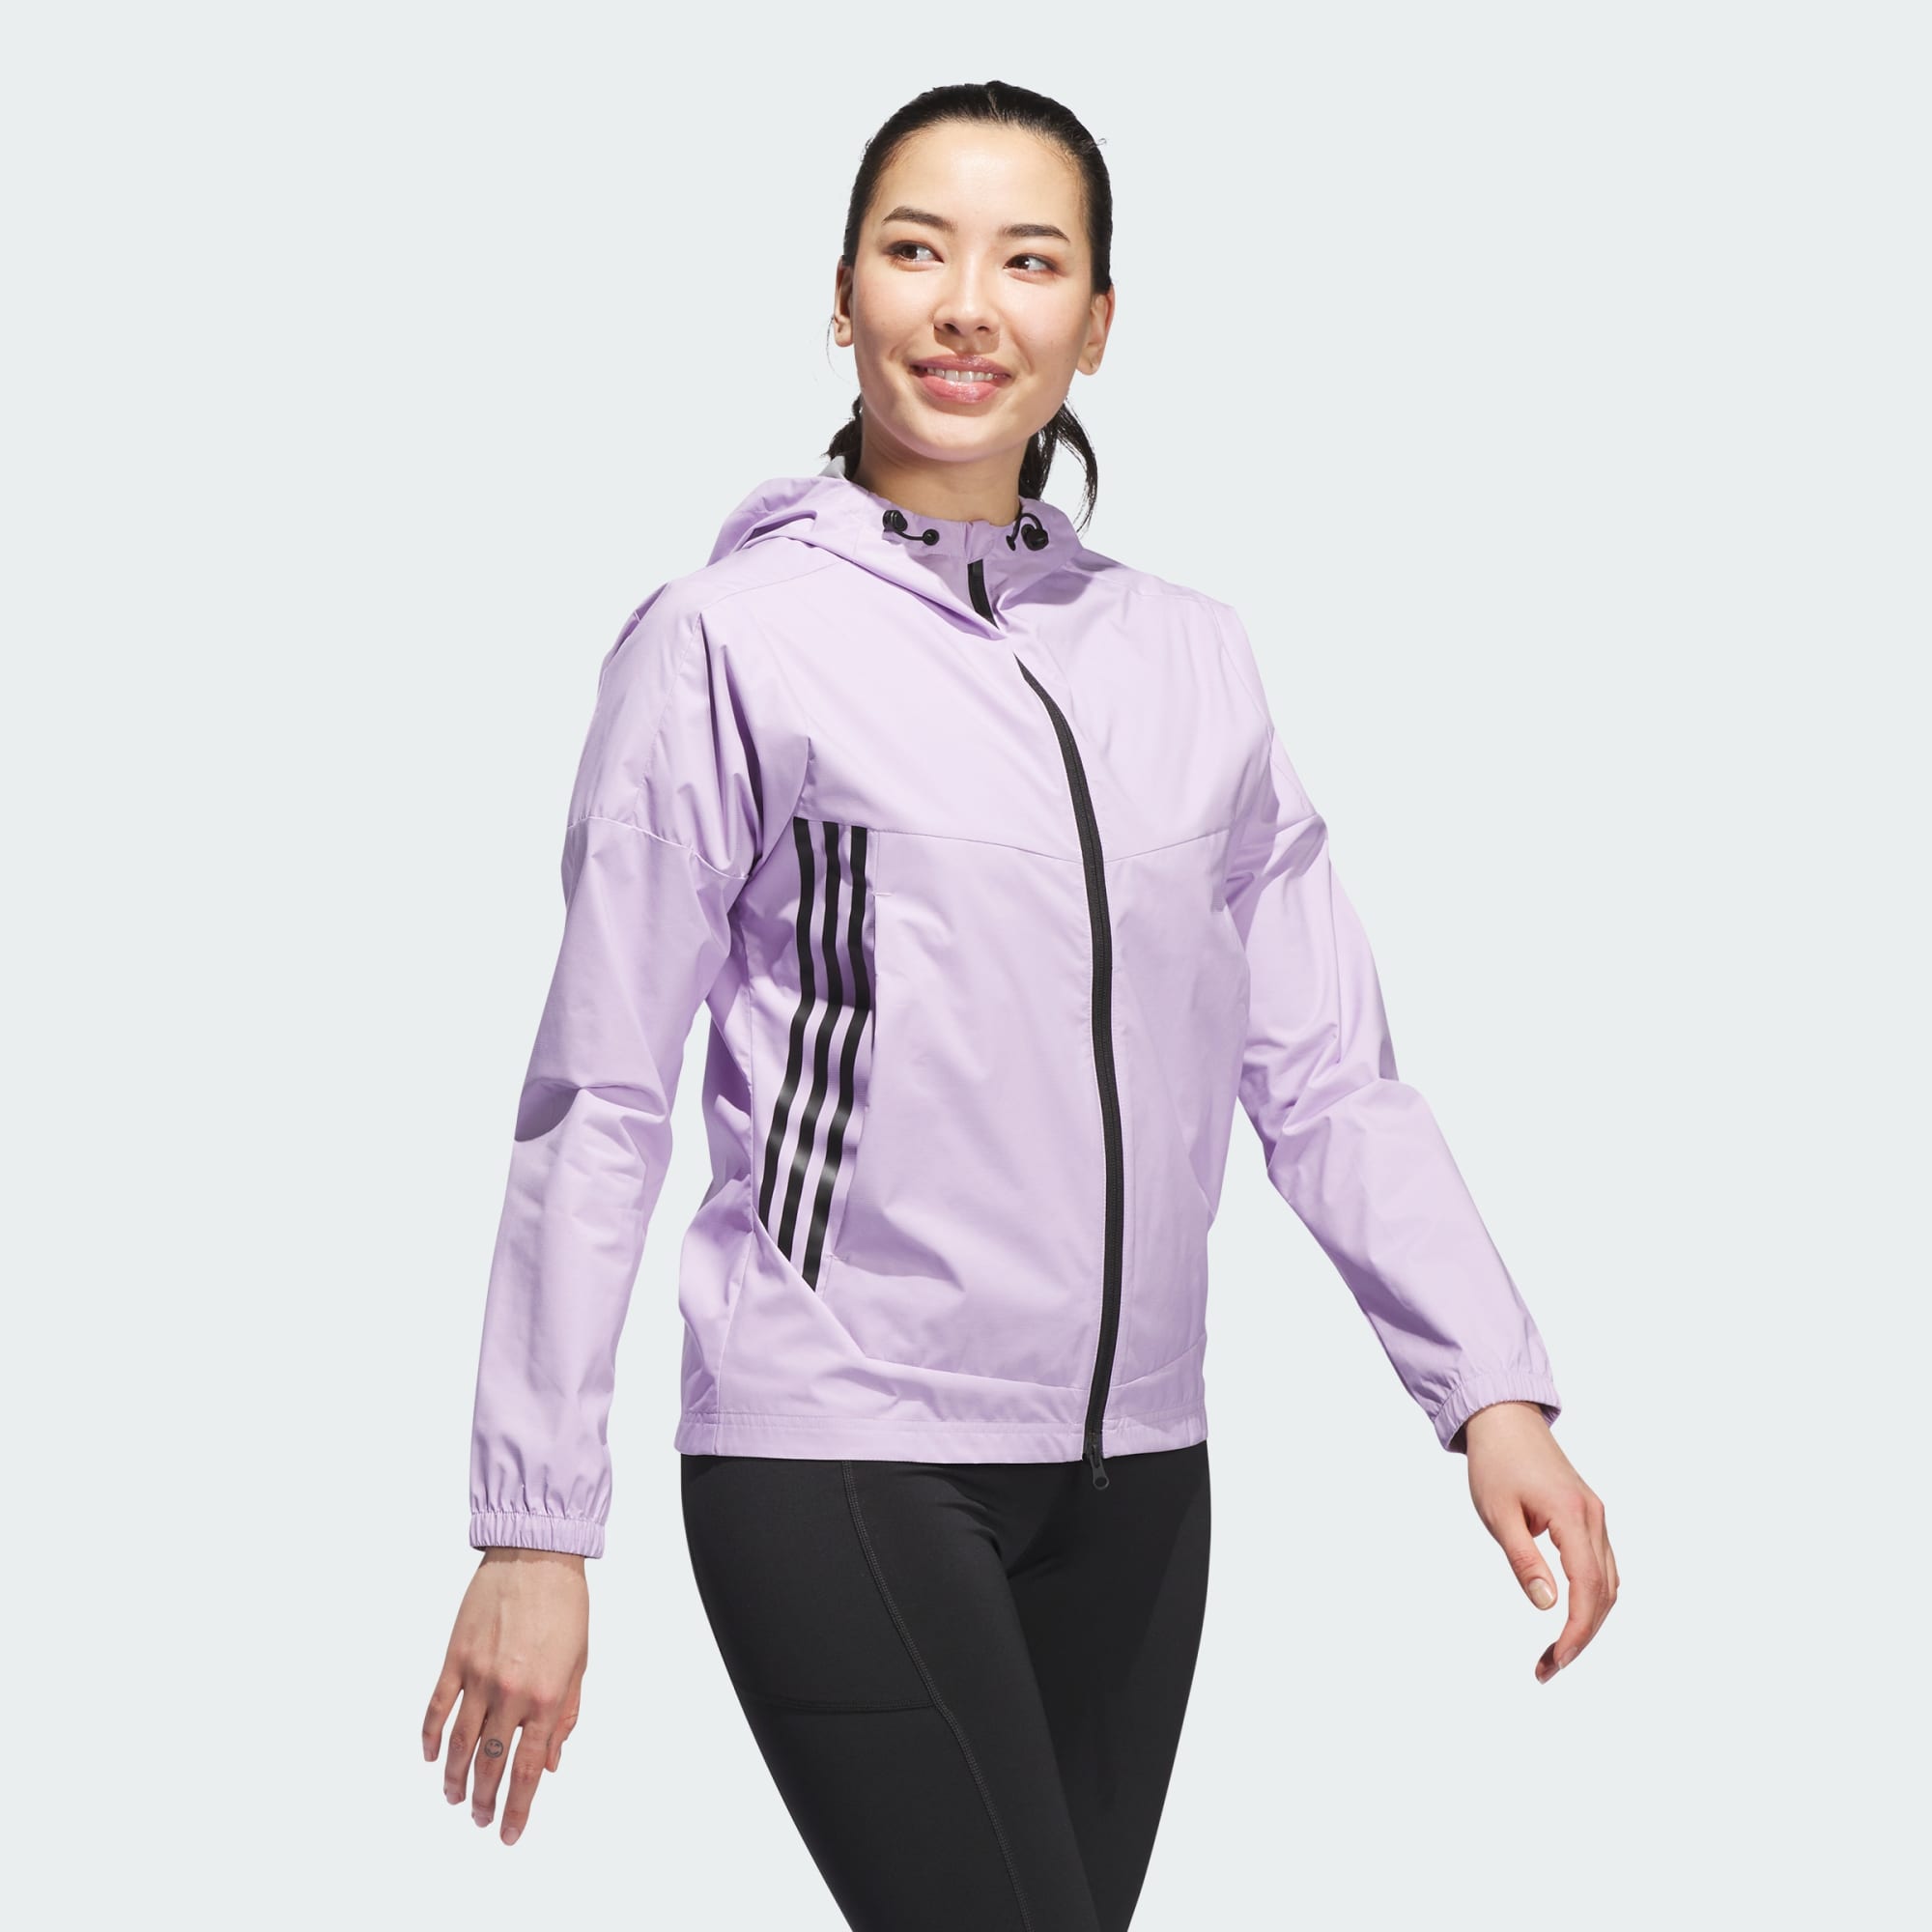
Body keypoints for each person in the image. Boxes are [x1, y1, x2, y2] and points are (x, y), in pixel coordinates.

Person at [422, 78, 1617, 1930]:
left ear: (1098, 323)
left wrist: (1490, 1389)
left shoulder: (1190, 657)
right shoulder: (731, 642)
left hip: (1137, 1477)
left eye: (1030, 262)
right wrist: (533, 1520)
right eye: (918, 251)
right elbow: (602, 1099)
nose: (968, 305)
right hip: (841, 1447)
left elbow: (1327, 1074)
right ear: (842, 297)